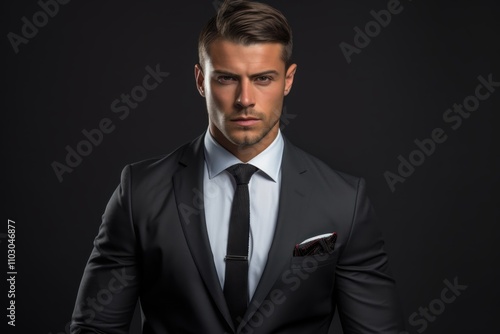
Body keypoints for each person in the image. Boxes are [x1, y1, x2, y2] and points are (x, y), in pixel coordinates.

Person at [71, 1, 405, 333]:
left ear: (288, 80)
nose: (245, 99)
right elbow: (95, 328)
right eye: (228, 78)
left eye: (263, 78)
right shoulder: (140, 192)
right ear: (201, 80)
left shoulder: (343, 202)